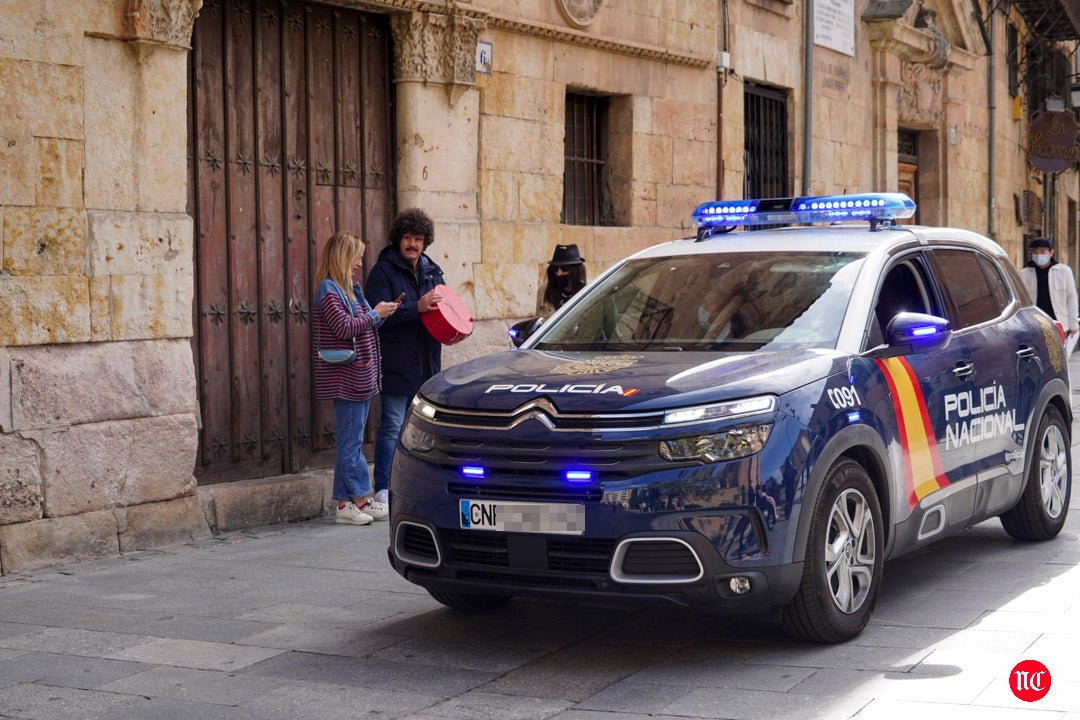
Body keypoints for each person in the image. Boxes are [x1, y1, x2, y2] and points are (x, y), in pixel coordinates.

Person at [313, 231, 400, 525]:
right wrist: (376, 314)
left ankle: (343, 505)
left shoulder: (349, 288)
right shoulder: (328, 289)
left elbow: (364, 322)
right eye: (357, 257)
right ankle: (362, 497)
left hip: (360, 376)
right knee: (350, 444)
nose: (360, 264)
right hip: (346, 378)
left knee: (351, 442)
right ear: (342, 257)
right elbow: (344, 327)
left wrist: (382, 313)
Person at [365, 209, 445, 505]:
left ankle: (421, 486)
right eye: (408, 238)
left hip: (428, 364)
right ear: (399, 239)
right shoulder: (382, 272)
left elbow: (444, 306)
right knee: (392, 426)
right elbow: (378, 316)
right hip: (397, 363)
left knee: (426, 430)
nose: (413, 244)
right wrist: (416, 307)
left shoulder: (433, 270)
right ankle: (383, 488)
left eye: (418, 239)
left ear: (426, 242)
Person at [1020, 236, 1080, 356]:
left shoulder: (1064, 271)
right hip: (1035, 324)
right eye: (1035, 252)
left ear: (1051, 252)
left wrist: (1073, 323)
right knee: (1039, 356)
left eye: (1042, 252)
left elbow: (1071, 298)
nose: (1039, 255)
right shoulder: (1025, 273)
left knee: (1059, 356)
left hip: (1059, 322)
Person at [537, 243, 587, 316]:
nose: (559, 273)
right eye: (555, 268)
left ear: (576, 271)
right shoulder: (543, 291)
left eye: (565, 268)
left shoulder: (586, 293)